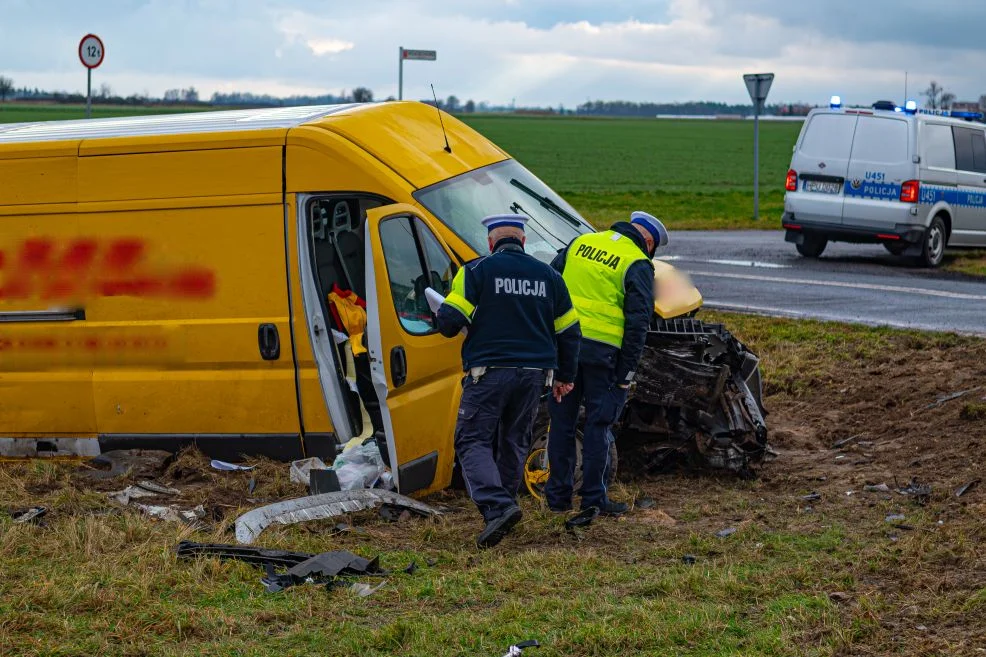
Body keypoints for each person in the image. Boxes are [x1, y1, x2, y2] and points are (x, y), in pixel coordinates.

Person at [436, 214, 581, 548]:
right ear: (523, 241)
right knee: (515, 439)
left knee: (472, 440)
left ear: (491, 242)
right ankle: (503, 508)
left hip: (488, 372)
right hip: (534, 375)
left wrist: (442, 309)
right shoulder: (549, 276)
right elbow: (570, 332)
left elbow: (449, 322)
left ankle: (498, 506)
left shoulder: (475, 271)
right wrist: (565, 377)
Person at [545, 210, 669, 517]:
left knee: (561, 424)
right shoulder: (636, 261)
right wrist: (626, 373)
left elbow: (549, 283)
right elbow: (639, 323)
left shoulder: (580, 243)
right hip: (604, 359)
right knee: (598, 426)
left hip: (566, 350)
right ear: (648, 241)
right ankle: (593, 500)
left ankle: (558, 499)